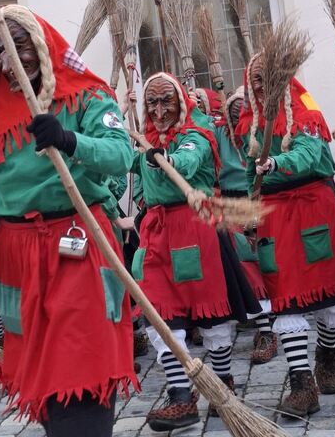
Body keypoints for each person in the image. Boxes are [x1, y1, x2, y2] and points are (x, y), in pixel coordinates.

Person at [0, 5, 137, 437]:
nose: (7, 62)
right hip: (16, 255)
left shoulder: (84, 96)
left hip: (77, 248)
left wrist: (68, 138)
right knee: (42, 373)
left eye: (17, 48)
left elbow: (120, 154)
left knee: (81, 368)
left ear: (40, 45)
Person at [131, 71, 261, 431]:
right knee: (159, 315)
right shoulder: (143, 137)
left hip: (194, 229)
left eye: (165, 100)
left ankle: (222, 385)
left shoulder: (198, 131)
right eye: (151, 102)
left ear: (180, 101)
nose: (158, 110)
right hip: (156, 234)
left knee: (211, 315)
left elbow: (190, 157)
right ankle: (181, 396)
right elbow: (133, 172)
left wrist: (166, 158)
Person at [236, 53, 335, 418]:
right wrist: (250, 212)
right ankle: (302, 383)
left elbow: (308, 153)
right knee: (284, 300)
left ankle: (326, 354)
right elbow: (248, 175)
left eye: (267, 77)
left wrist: (276, 162)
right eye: (255, 78)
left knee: (328, 300)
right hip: (275, 219)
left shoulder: (306, 114)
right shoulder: (249, 126)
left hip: (314, 212)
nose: (261, 85)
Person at [218, 87, 277, 364]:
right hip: (228, 201)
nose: (236, 112)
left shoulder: (260, 131)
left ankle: (267, 329)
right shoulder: (217, 133)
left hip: (254, 195)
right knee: (241, 262)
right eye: (232, 108)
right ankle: (253, 321)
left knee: (258, 260)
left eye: (241, 107)